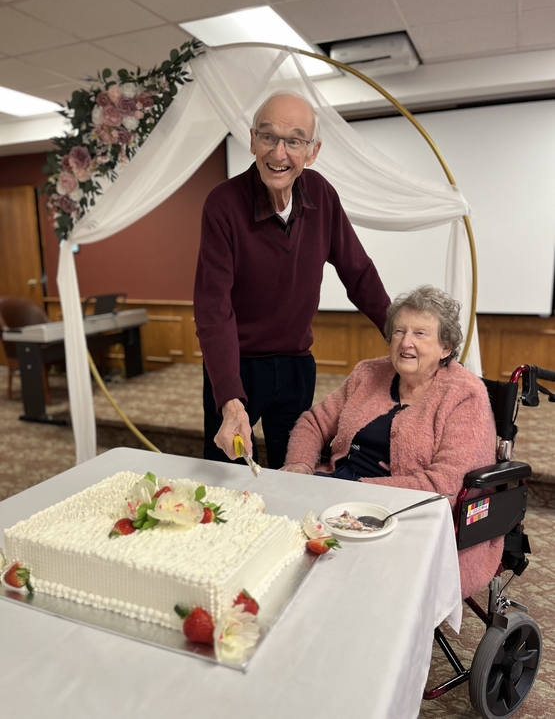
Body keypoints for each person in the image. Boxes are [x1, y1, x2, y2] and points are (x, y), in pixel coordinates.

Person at [194, 91, 390, 469]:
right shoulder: (223, 204)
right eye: (268, 137)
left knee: (297, 469)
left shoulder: (321, 194)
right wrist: (230, 397)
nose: (279, 153)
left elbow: (358, 272)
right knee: (227, 473)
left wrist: (398, 332)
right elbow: (213, 308)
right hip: (239, 366)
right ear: (252, 140)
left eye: (294, 141)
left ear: (312, 151)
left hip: (297, 364)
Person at [282, 285, 502, 599]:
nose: (405, 342)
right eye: (399, 331)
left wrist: (355, 491)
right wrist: (300, 463)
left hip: (405, 515)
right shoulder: (368, 373)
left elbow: (442, 486)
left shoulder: (464, 395)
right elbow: (314, 422)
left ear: (446, 346)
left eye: (420, 333)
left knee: (330, 579)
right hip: (338, 491)